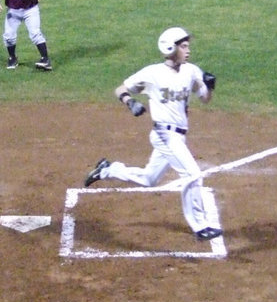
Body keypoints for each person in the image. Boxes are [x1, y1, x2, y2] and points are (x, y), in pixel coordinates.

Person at [83, 27, 222, 241]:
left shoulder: (191, 70)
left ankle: (107, 170)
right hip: (164, 135)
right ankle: (201, 227)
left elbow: (204, 98)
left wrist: (210, 87)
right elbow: (120, 89)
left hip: (179, 135)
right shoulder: (152, 73)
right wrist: (130, 103)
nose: (188, 50)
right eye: (183, 46)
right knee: (192, 174)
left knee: (149, 179)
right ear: (170, 48)